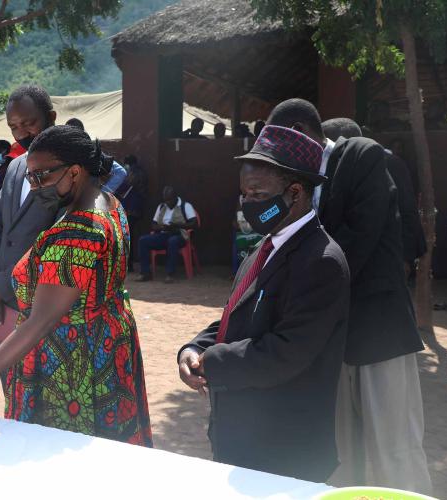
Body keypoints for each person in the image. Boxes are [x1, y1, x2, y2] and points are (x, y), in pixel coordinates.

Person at [0, 125, 153, 447]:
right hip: (107, 344)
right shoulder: (109, 203)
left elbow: (42, 320)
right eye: (30, 177)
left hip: (69, 364)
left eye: (43, 176)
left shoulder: (76, 233)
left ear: (76, 172)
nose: (36, 186)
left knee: (61, 454)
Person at [267, 98, 431, 494]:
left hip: (378, 333)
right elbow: (276, 237)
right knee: (341, 452)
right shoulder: (297, 185)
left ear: (302, 134)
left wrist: (302, 288)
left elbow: (357, 240)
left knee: (394, 449)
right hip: (332, 337)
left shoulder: (360, 156)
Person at [178, 125, 349, 482]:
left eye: (257, 194)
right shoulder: (262, 247)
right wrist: (194, 348)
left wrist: (214, 362)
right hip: (240, 436)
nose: (248, 204)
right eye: (244, 194)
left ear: (296, 192)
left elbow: (286, 352)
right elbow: (234, 316)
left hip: (283, 449)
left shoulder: (321, 260)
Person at [0, 84, 61, 349]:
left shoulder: (70, 171)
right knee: (11, 385)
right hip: (4, 306)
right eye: (13, 126)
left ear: (51, 118)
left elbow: (58, 243)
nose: (21, 132)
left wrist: (1, 286)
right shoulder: (15, 167)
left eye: (29, 123)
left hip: (46, 308)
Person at [323, 118, 426, 276]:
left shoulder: (390, 164)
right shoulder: (342, 168)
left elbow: (407, 210)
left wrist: (406, 257)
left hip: (389, 256)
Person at [135, 186, 197, 284]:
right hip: (164, 234)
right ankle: (145, 273)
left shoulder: (185, 206)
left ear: (175, 197)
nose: (167, 202)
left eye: (170, 200)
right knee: (143, 240)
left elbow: (194, 223)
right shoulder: (161, 206)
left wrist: (177, 225)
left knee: (172, 241)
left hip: (179, 235)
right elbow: (154, 224)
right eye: (166, 200)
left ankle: (170, 274)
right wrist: (162, 227)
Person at [64, 117, 127, 194]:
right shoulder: (63, 155)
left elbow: (121, 172)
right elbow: (121, 172)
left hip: (90, 202)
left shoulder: (91, 153)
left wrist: (103, 194)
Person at [116, 154, 148, 272]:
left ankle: (128, 265)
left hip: (131, 209)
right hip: (137, 209)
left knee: (127, 236)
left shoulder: (133, 174)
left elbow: (125, 186)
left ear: (128, 164)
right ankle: (129, 264)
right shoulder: (140, 172)